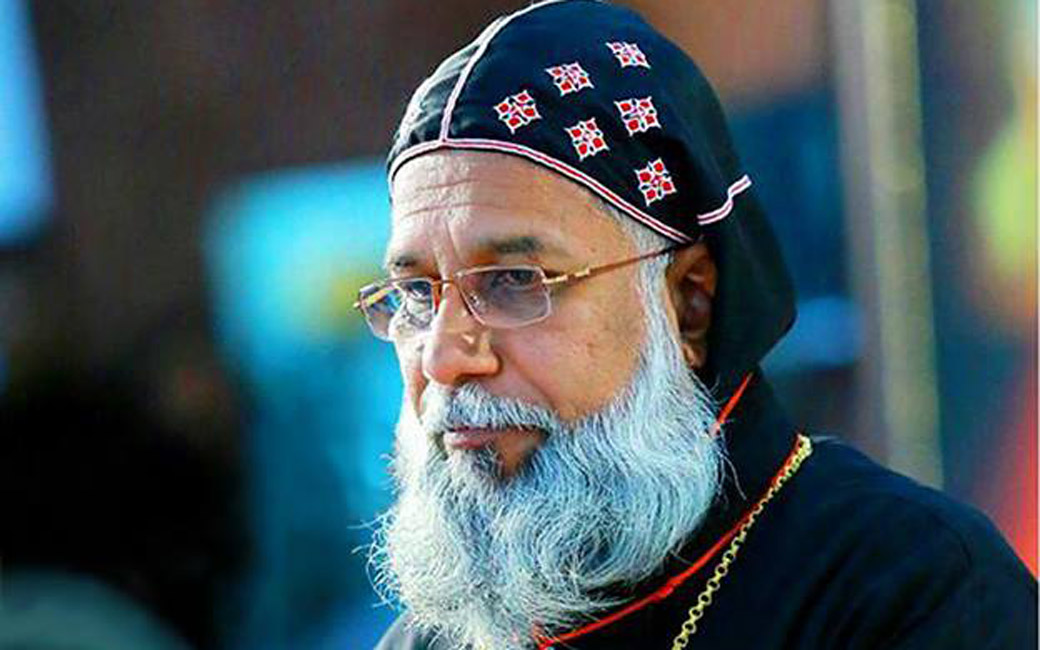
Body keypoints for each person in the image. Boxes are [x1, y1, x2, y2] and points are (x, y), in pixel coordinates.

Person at [356, 1, 1038, 648]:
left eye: (514, 281)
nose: (443, 357)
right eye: (416, 294)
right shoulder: (424, 642)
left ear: (689, 304)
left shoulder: (914, 594)